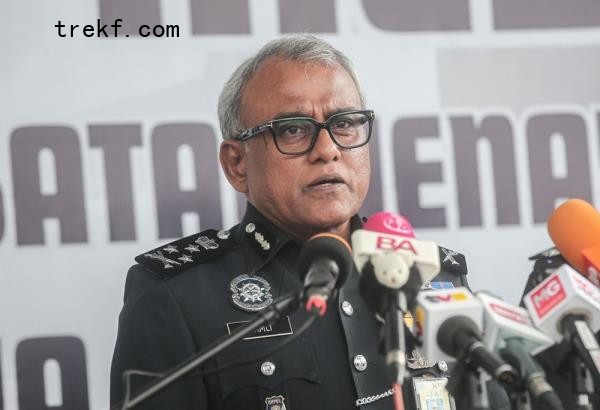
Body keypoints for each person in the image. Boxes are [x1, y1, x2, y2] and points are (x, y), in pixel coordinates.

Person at [110, 34, 495, 409]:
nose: (327, 150)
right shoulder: (176, 295)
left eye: (344, 123)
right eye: (292, 130)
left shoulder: (433, 274)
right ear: (237, 163)